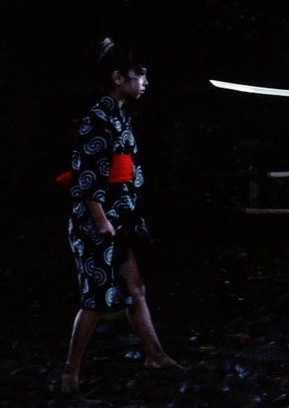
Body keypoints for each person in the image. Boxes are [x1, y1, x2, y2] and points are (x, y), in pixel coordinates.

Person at [60, 37, 185, 394]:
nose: (144, 83)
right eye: (139, 75)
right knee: (96, 300)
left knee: (136, 287)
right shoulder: (98, 118)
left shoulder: (120, 116)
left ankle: (155, 354)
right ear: (118, 78)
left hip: (121, 216)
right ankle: (71, 371)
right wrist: (100, 220)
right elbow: (85, 175)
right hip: (97, 221)